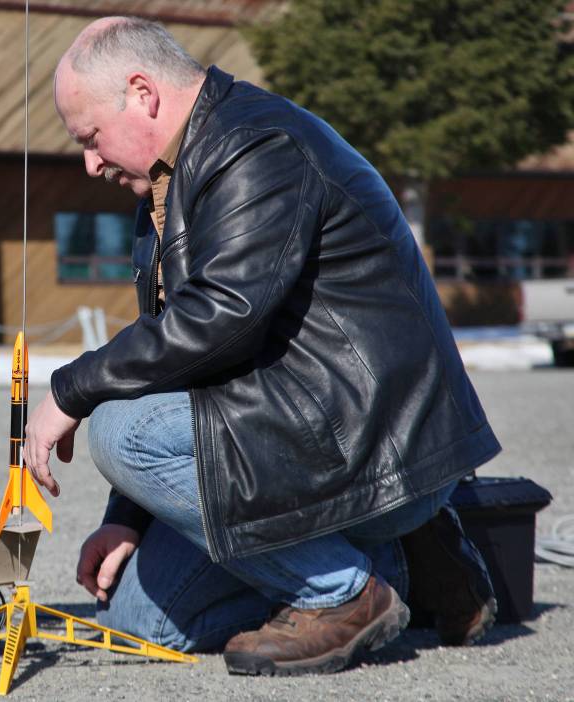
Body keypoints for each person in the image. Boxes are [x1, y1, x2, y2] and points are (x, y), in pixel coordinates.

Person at [24, 17, 501, 676]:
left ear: (142, 93)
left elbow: (223, 319)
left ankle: (342, 593)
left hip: (372, 445)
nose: (89, 162)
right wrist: (129, 516)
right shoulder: (164, 188)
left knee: (114, 430)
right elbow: (175, 368)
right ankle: (402, 566)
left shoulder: (257, 147)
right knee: (140, 623)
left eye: (91, 137)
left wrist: (69, 389)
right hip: (297, 440)